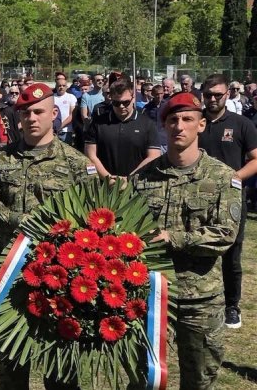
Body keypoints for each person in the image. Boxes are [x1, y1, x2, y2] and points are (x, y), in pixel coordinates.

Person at [0, 82, 95, 389]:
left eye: (39, 111)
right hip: (13, 278)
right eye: (25, 113)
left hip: (62, 280)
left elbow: (93, 218)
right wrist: (20, 220)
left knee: (62, 372)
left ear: (55, 113)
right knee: (10, 369)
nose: (32, 118)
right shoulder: (0, 161)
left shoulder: (77, 164)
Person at [132, 92, 240, 390]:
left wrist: (174, 238)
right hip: (150, 297)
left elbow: (225, 235)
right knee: (144, 379)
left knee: (199, 381)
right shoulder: (143, 178)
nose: (179, 126)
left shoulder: (222, 178)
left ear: (201, 125)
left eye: (187, 119)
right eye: (172, 120)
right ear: (163, 126)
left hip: (200, 300)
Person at [197, 74, 257, 330]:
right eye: (209, 95)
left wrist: (234, 178)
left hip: (231, 200)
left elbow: (255, 159)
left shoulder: (242, 124)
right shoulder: (194, 121)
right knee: (197, 248)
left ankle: (232, 306)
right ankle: (199, 301)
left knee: (231, 256)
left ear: (227, 95)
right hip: (197, 197)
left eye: (218, 95)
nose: (213, 99)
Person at [84, 79, 161, 179]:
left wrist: (129, 179)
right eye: (116, 103)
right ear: (110, 99)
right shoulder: (97, 123)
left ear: (133, 98)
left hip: (137, 185)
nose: (121, 106)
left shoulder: (147, 124)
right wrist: (108, 178)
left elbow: (153, 156)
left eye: (125, 102)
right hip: (105, 185)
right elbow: (90, 155)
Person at [53, 71, 77, 144]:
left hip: (66, 131)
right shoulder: (51, 97)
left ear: (67, 87)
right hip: (52, 131)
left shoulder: (71, 97)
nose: (61, 87)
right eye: (59, 85)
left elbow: (72, 115)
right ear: (56, 86)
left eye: (63, 85)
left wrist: (59, 127)